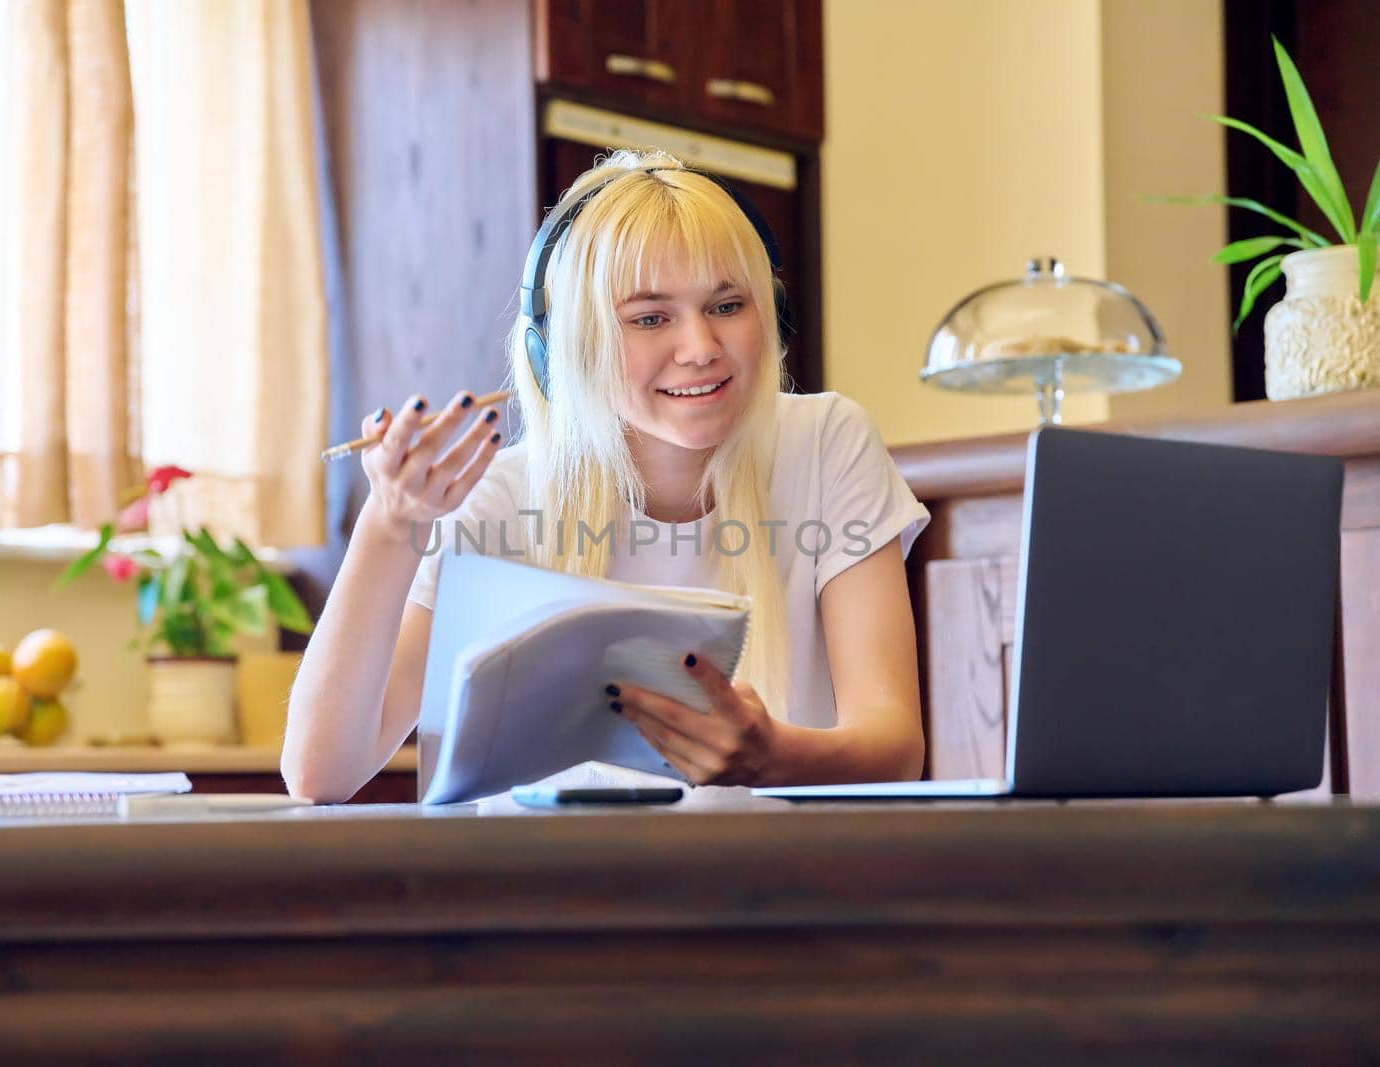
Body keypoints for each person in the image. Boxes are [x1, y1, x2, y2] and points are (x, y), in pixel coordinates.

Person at [282, 149, 930, 804]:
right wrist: (390, 523)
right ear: (565, 345)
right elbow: (319, 773)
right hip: (542, 895)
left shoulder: (826, 444)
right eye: (650, 317)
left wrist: (773, 755)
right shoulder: (497, 498)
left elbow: (896, 746)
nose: (701, 346)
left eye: (728, 305)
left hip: (764, 892)